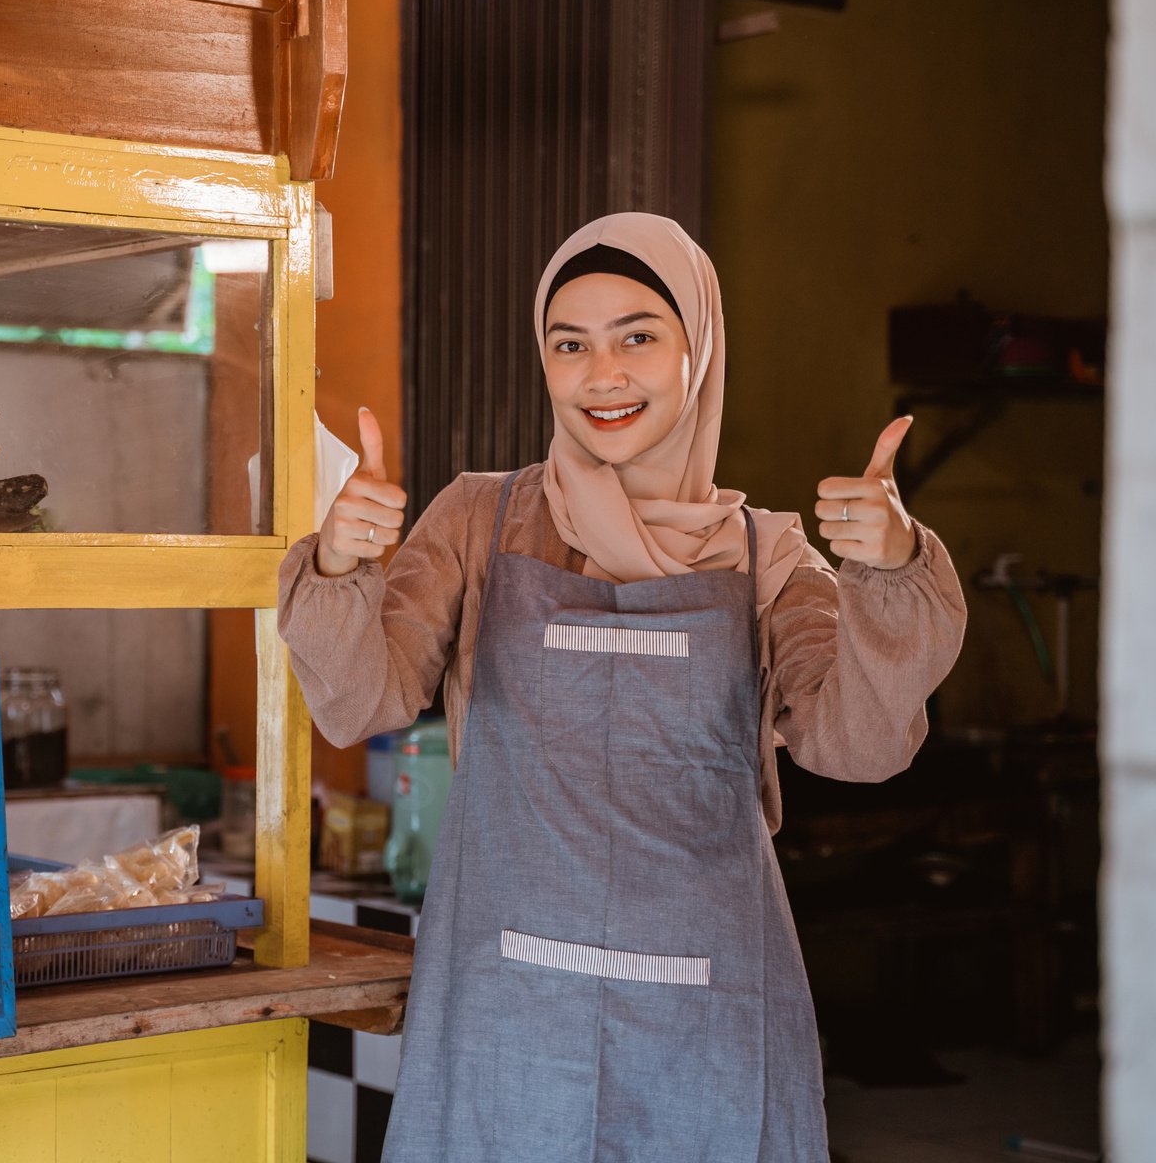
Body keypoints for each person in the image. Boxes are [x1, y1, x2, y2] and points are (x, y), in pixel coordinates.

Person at [277, 212, 967, 1161]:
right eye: (571, 344)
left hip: (708, 1011)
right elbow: (366, 703)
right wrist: (341, 565)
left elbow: (855, 746)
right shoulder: (482, 519)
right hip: (507, 1003)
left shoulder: (768, 556)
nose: (603, 374)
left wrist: (892, 572)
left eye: (639, 335)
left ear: (701, 347)